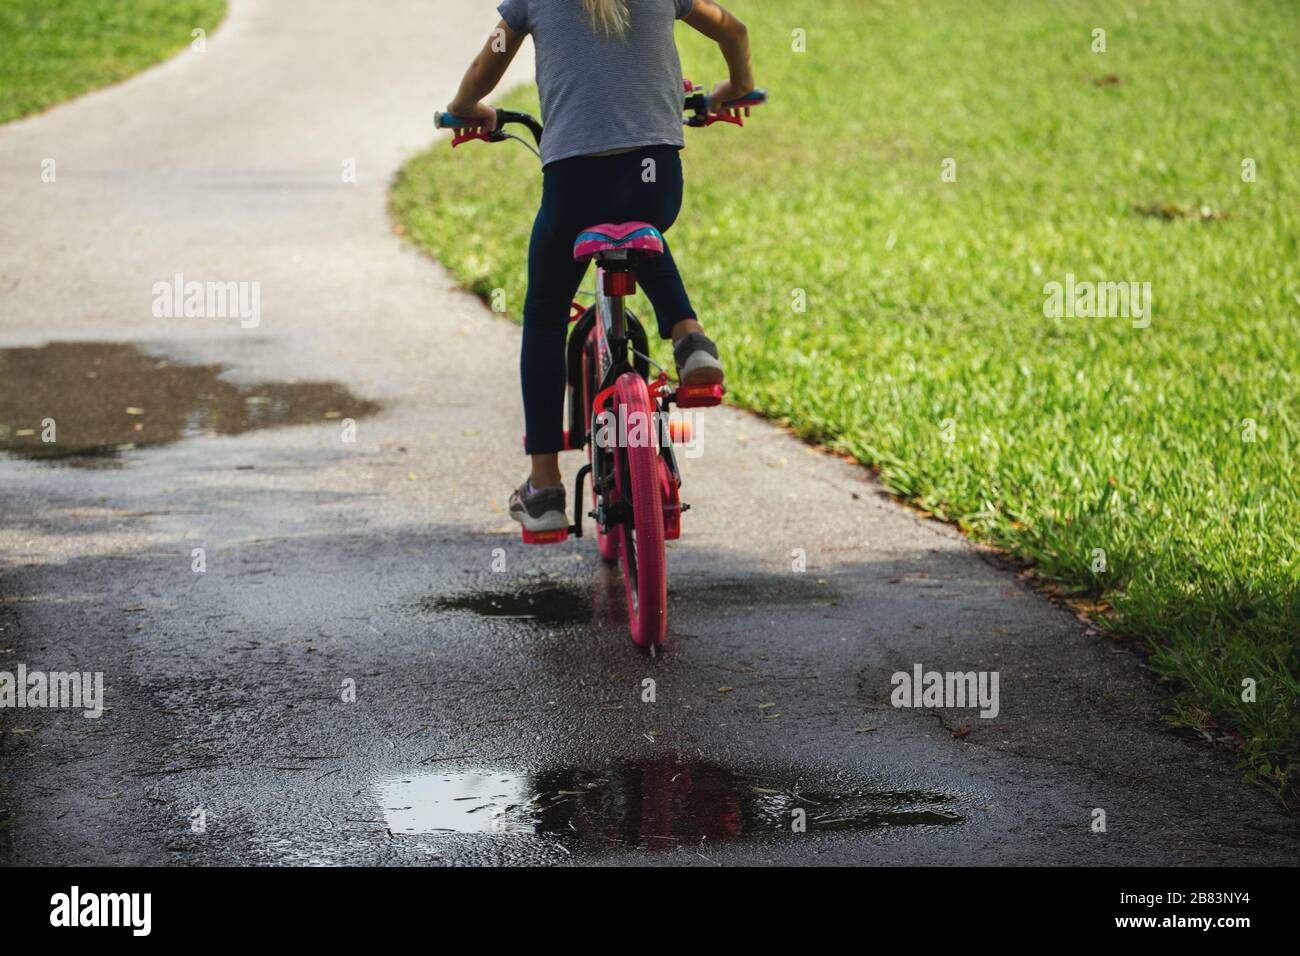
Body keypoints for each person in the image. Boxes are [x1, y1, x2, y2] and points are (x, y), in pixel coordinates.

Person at [445, 0, 756, 534]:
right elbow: (734, 29)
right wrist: (737, 88)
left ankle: (544, 487)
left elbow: (487, 64)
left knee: (544, 314)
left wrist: (464, 106)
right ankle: (690, 338)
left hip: (574, 191)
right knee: (643, 227)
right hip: (656, 183)